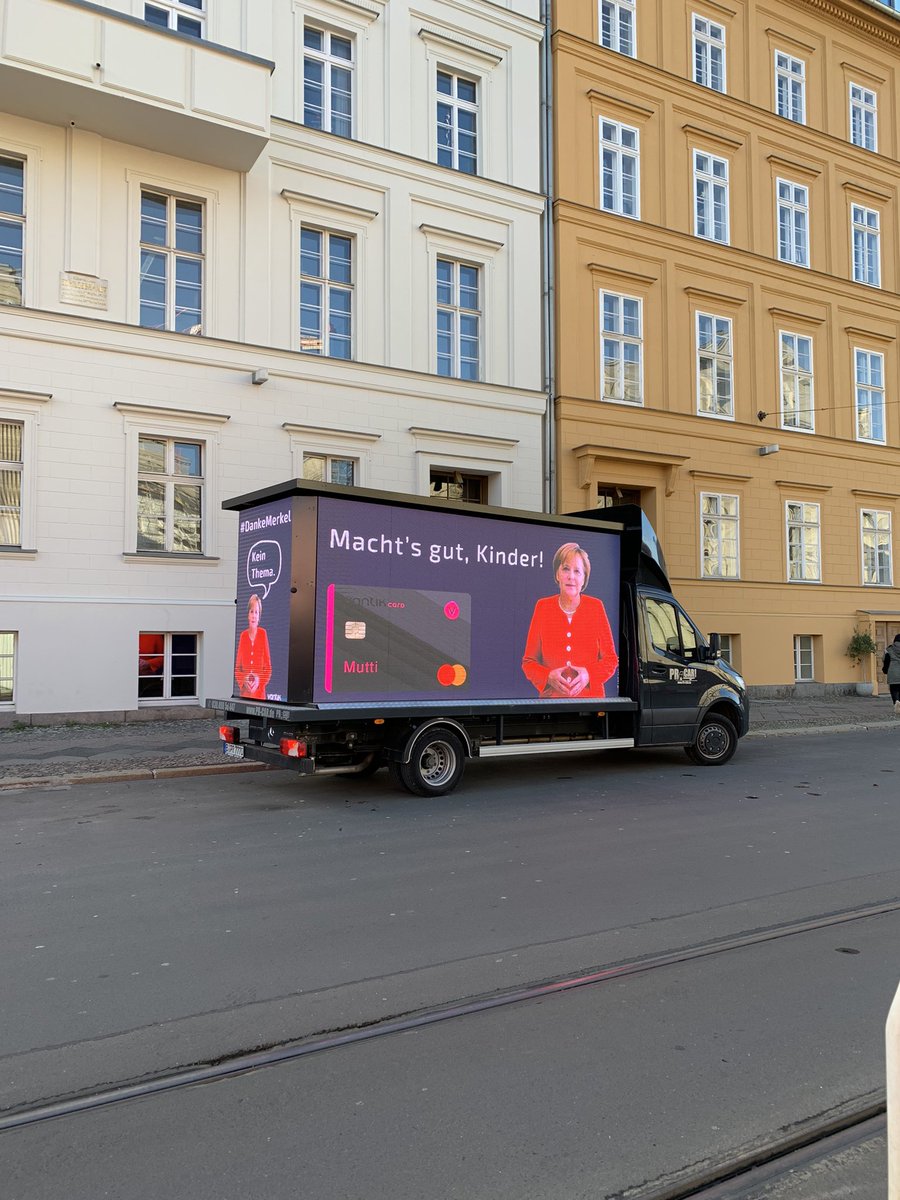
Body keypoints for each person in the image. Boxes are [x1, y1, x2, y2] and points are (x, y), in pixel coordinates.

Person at [522, 542, 618, 698]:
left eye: (577, 571)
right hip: (551, 705)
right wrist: (548, 677)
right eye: (565, 568)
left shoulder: (596, 607)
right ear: (557, 574)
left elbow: (611, 659)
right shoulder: (543, 607)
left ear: (584, 578)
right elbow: (529, 662)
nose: (571, 576)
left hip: (591, 704)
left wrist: (589, 675)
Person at [234, 593, 272, 699]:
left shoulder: (263, 634)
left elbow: (268, 668)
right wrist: (244, 680)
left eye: (256, 612)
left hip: (260, 695)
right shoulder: (243, 636)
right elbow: (237, 668)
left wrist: (259, 681)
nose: (254, 615)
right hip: (245, 695)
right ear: (248, 615)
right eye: (252, 612)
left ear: (259, 616)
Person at [882, 633, 900, 711]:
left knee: (894, 690)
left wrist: (885, 670)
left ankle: (896, 702)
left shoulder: (889, 649)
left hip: (893, 673)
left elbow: (886, 661)